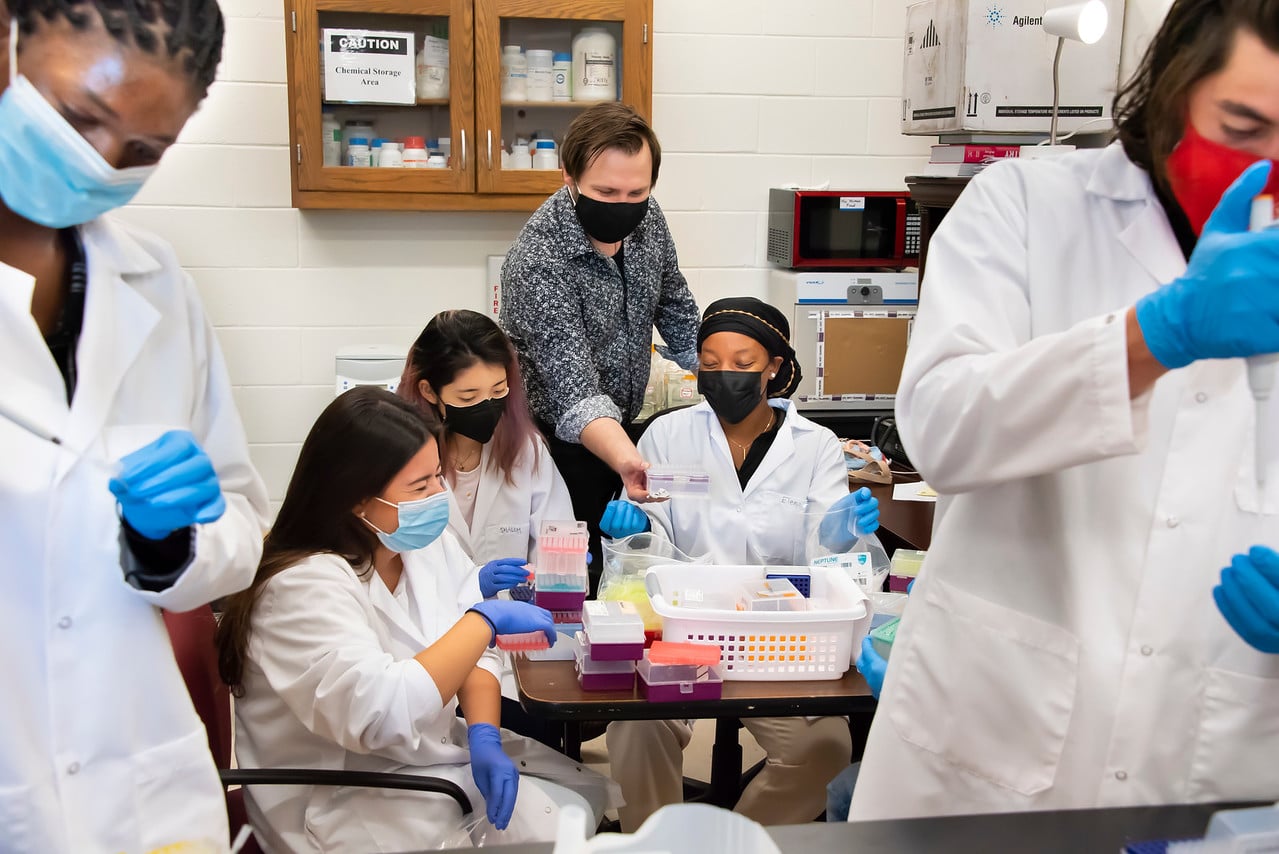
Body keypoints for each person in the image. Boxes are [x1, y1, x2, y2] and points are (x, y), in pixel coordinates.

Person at [851, 0, 1279, 821]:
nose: (1270, 164)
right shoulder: (1022, 206)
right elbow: (939, 431)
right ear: (1171, 92)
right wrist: (1158, 333)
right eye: (1241, 124)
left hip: (1216, 760)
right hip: (987, 752)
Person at [0, 2, 270, 851]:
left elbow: (237, 520)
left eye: (143, 152)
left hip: (139, 786)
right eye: (81, 118)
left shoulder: (156, 286)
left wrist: (167, 543)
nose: (99, 164)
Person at [215, 388, 617, 853]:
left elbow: (473, 655)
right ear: (357, 499)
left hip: (421, 766)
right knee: (556, 835)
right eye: (420, 486)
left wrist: (485, 731)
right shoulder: (300, 589)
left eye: (437, 477)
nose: (439, 496)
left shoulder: (418, 543)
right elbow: (379, 716)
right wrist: (481, 620)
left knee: (578, 809)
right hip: (339, 800)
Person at [597, 297, 879, 829]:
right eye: (710, 361)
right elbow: (647, 554)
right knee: (635, 730)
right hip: (682, 632)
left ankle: (736, 842)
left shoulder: (815, 446)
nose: (725, 375)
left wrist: (842, 533)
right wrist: (634, 536)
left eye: (744, 364)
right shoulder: (665, 435)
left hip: (782, 641)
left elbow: (830, 561)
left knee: (822, 748)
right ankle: (656, 844)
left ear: (774, 367)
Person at [501, 102, 701, 583]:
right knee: (574, 582)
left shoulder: (647, 218)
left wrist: (729, 378)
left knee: (633, 578)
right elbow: (577, 393)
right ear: (568, 176)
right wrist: (628, 461)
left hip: (623, 435)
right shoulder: (538, 261)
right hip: (556, 447)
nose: (623, 205)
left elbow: (676, 308)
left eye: (637, 191)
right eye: (605, 191)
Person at [399, 308, 574, 745]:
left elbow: (557, 538)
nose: (488, 407)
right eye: (468, 396)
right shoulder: (403, 459)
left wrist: (556, 574)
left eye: (498, 391)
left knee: (544, 746)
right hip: (423, 650)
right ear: (430, 391)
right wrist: (469, 589)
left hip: (514, 653)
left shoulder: (525, 450)